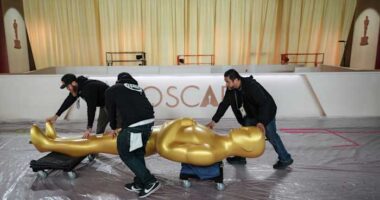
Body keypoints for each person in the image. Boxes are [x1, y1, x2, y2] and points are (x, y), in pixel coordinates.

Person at [30, 118, 266, 166]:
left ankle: (47, 145)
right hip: (147, 133)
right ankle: (56, 139)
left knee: (95, 144)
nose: (243, 127)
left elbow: (166, 149)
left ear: (246, 146)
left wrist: (174, 125)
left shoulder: (212, 153)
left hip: (147, 144)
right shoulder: (217, 139)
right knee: (99, 140)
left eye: (247, 132)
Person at [206, 69, 293, 169]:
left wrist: (261, 122)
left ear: (235, 80)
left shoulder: (251, 86)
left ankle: (285, 159)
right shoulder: (231, 90)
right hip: (250, 116)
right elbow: (224, 104)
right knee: (244, 135)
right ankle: (241, 158)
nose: (226, 84)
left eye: (227, 82)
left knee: (271, 136)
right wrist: (214, 121)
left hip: (265, 113)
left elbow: (264, 104)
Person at [105, 72, 160, 198]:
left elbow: (111, 110)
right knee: (137, 152)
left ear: (118, 80)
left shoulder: (112, 90)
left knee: (125, 152)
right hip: (149, 122)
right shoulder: (138, 89)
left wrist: (114, 127)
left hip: (135, 125)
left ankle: (150, 181)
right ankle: (140, 182)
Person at [46, 74, 109, 139]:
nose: (68, 89)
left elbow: (91, 108)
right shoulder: (78, 87)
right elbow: (68, 101)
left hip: (114, 104)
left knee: (117, 127)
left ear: (74, 83)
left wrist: (89, 129)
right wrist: (56, 116)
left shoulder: (88, 88)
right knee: (99, 129)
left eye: (68, 86)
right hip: (104, 104)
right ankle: (99, 142)